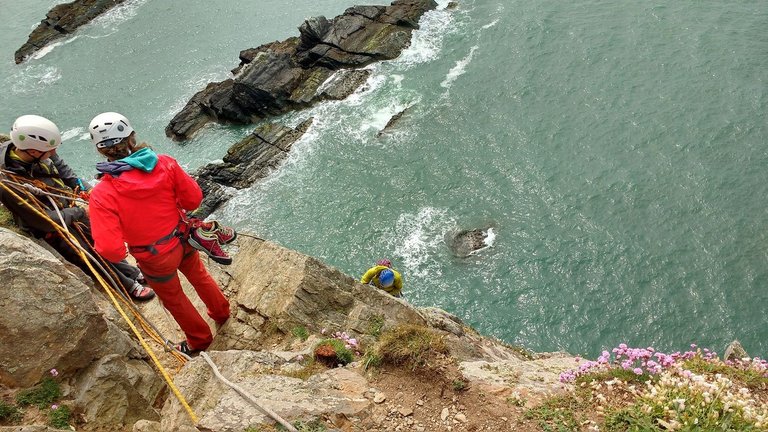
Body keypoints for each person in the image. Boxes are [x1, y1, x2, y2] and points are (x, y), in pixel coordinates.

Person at [87, 112, 233, 355]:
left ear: (101, 150)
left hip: (154, 256)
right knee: (199, 275)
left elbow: (110, 250)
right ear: (131, 136)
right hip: (182, 238)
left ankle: (200, 340)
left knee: (174, 298)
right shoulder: (164, 162)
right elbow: (193, 199)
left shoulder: (103, 194)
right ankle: (221, 312)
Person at [0, 114, 155, 301]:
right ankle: (129, 285)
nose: (54, 152)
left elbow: (64, 171)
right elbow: (42, 219)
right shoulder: (9, 182)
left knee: (98, 239)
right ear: (33, 152)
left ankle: (130, 271)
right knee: (86, 253)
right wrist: (81, 211)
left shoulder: (38, 149)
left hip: (67, 206)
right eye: (51, 150)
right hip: (50, 225)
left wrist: (86, 189)